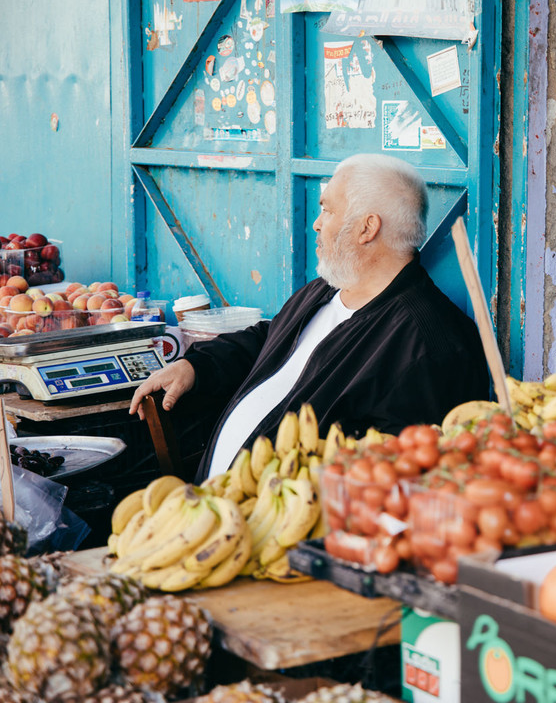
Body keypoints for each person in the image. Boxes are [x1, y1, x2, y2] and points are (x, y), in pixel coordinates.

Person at [129, 153, 491, 482]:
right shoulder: (326, 289)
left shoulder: (432, 344)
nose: (316, 224)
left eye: (328, 210)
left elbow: (401, 474)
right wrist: (197, 367)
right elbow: (268, 339)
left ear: (367, 228)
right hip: (214, 506)